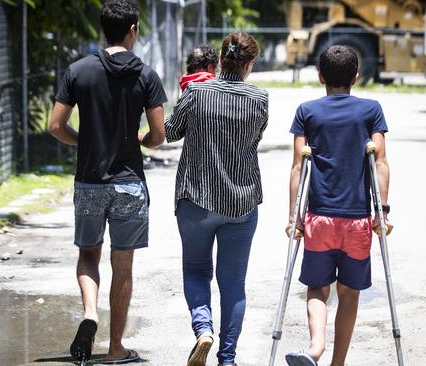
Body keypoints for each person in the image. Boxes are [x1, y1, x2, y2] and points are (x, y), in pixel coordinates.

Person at [48, 0, 167, 363]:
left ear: (103, 28)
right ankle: (116, 349)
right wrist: (141, 142)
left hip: (89, 180)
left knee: (88, 254)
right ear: (132, 29)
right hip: (129, 182)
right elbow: (158, 134)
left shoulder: (78, 71)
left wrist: (83, 140)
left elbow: (55, 126)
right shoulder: (146, 75)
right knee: (123, 265)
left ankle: (89, 314)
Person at [285, 45, 392, 366]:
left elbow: (297, 167)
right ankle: (337, 363)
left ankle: (314, 348)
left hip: (319, 219)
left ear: (320, 77)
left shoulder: (307, 111)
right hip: (357, 222)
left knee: (318, 288)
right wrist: (381, 212)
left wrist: (295, 217)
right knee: (349, 293)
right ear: (356, 77)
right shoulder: (371, 110)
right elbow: (381, 162)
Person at [165, 32, 268, 366]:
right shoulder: (259, 99)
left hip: (196, 199)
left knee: (196, 272)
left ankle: (203, 330)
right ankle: (227, 359)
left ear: (220, 59)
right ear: (249, 64)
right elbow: (254, 138)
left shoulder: (196, 93)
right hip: (241, 203)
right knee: (233, 284)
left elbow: (169, 131)